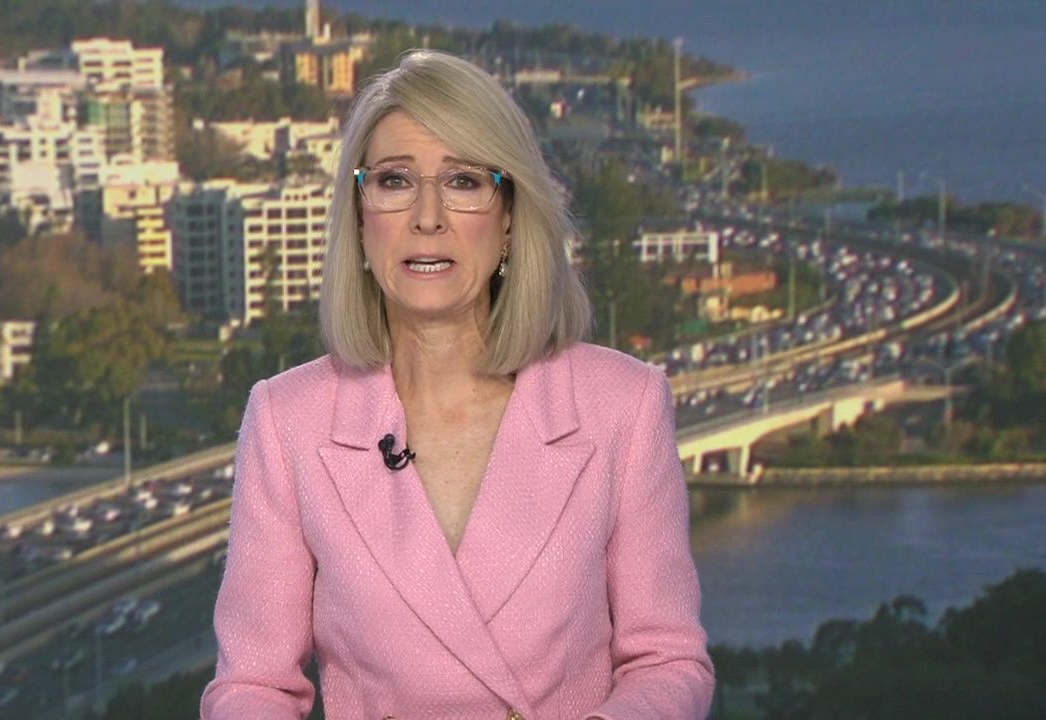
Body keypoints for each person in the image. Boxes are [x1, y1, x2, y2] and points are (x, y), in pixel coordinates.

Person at [200, 49, 714, 719]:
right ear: (359, 217)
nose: (428, 216)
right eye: (394, 181)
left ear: (510, 218)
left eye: (464, 181)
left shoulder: (624, 404)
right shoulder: (286, 420)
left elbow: (667, 661)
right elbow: (252, 685)